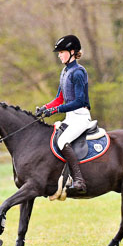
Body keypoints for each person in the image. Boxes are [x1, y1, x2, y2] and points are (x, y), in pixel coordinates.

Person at [36, 35, 91, 194]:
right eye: (58, 52)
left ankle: (79, 180)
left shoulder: (79, 72)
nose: (59, 55)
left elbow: (80, 101)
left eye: (62, 52)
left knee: (63, 141)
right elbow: (60, 98)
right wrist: (45, 108)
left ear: (72, 52)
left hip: (80, 116)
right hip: (70, 117)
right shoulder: (65, 71)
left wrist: (56, 110)